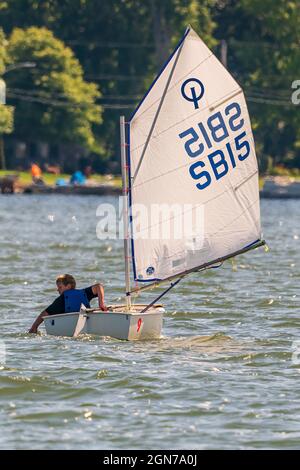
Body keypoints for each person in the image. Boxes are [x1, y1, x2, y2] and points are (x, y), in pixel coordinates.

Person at [29, 274, 108, 334]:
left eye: (60, 287)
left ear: (68, 286)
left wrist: (34, 327)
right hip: (87, 325)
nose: (58, 290)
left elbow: (44, 314)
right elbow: (98, 286)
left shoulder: (61, 300)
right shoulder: (84, 293)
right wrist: (101, 303)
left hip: (71, 329)